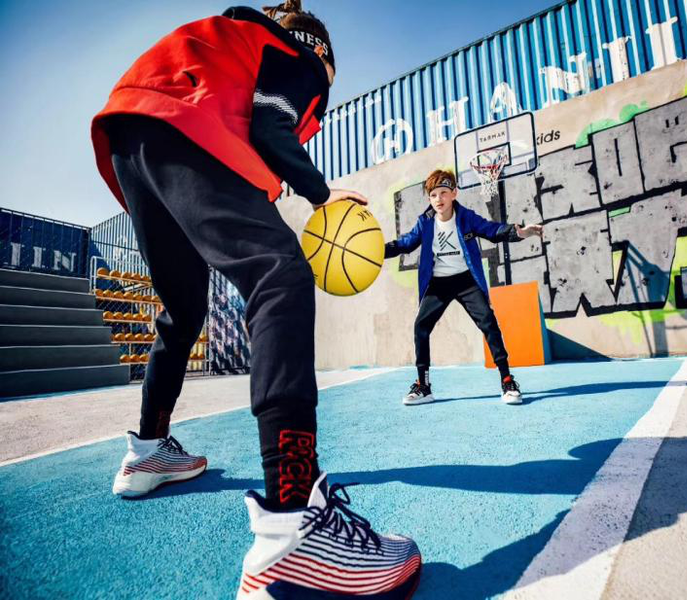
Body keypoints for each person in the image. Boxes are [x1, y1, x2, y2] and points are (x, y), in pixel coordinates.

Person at [90, 2, 421, 597]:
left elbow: (245, 123)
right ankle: (294, 521)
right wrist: (320, 192)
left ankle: (148, 449)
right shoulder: (300, 57)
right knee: (280, 273)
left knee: (182, 312)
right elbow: (271, 127)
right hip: (183, 127)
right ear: (323, 55)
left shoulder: (231, 42)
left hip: (131, 135)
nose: (321, 99)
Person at [385, 169, 543, 406]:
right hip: (438, 283)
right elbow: (406, 243)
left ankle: (507, 380)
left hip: (466, 281)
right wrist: (378, 250)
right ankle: (423, 386)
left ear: (454, 193)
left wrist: (518, 232)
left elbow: (491, 230)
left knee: (488, 322)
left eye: (443, 193)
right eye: (433, 195)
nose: (438, 199)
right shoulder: (425, 222)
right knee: (421, 326)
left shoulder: (466, 217)